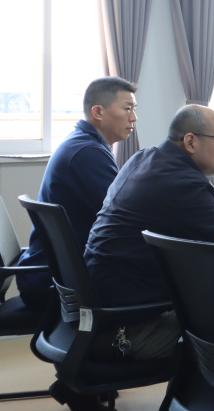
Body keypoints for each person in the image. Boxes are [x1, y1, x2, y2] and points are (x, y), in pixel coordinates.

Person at [83, 105, 214, 359]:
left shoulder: (144, 158)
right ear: (190, 141)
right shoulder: (183, 183)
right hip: (130, 328)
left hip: (102, 310)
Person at [17, 77, 137, 311]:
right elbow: (123, 218)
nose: (134, 117)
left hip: (53, 275)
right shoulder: (87, 153)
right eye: (127, 108)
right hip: (59, 284)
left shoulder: (84, 144)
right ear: (98, 112)